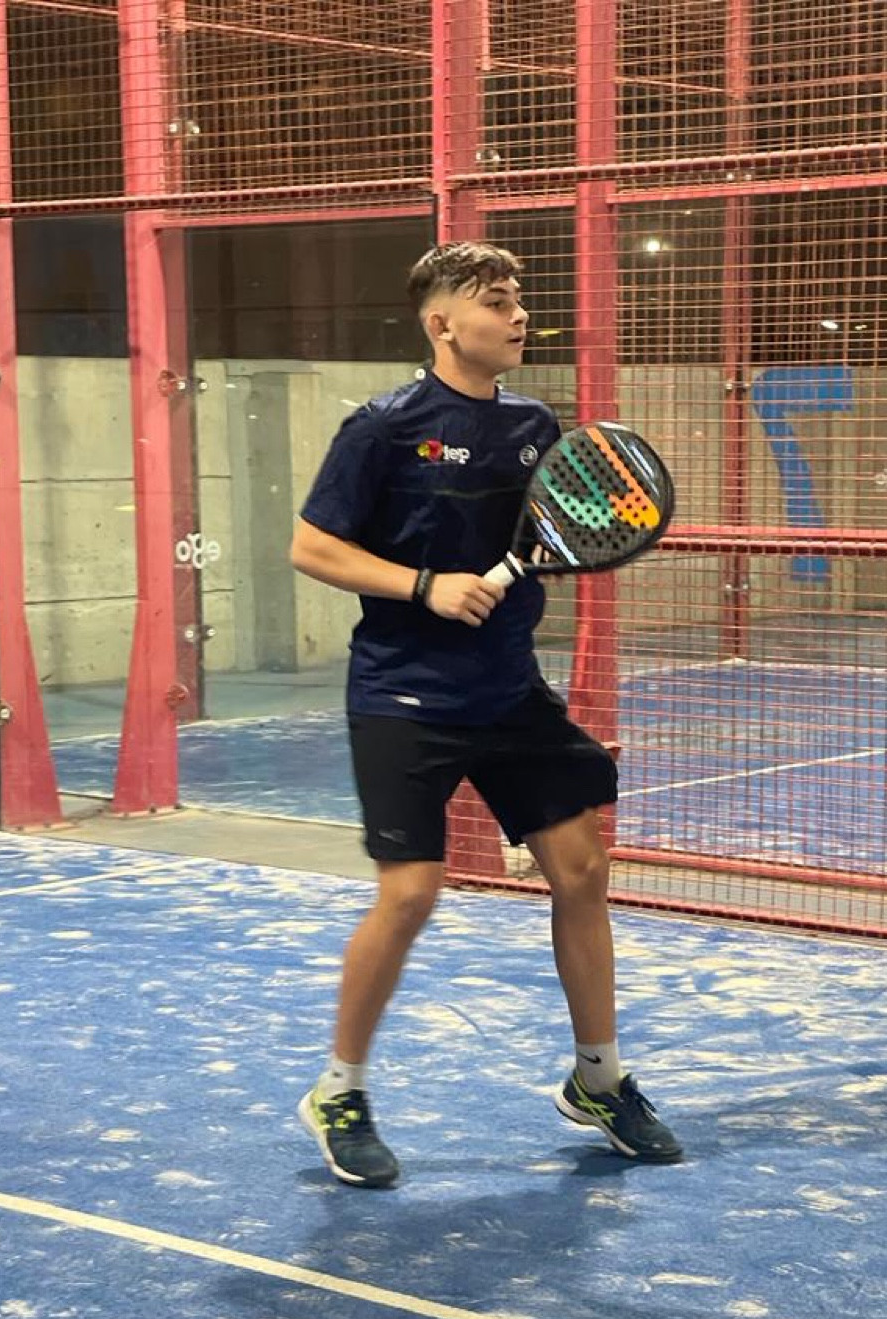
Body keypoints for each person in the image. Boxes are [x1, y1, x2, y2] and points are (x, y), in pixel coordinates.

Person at [288, 241, 682, 1187]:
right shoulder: (383, 428)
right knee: (411, 893)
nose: (518, 316)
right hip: (404, 693)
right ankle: (339, 1091)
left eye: (518, 300)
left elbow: (566, 519)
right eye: (497, 302)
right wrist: (425, 585)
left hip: (508, 690)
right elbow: (312, 548)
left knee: (582, 869)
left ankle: (598, 1079)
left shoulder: (535, 424)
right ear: (442, 323)